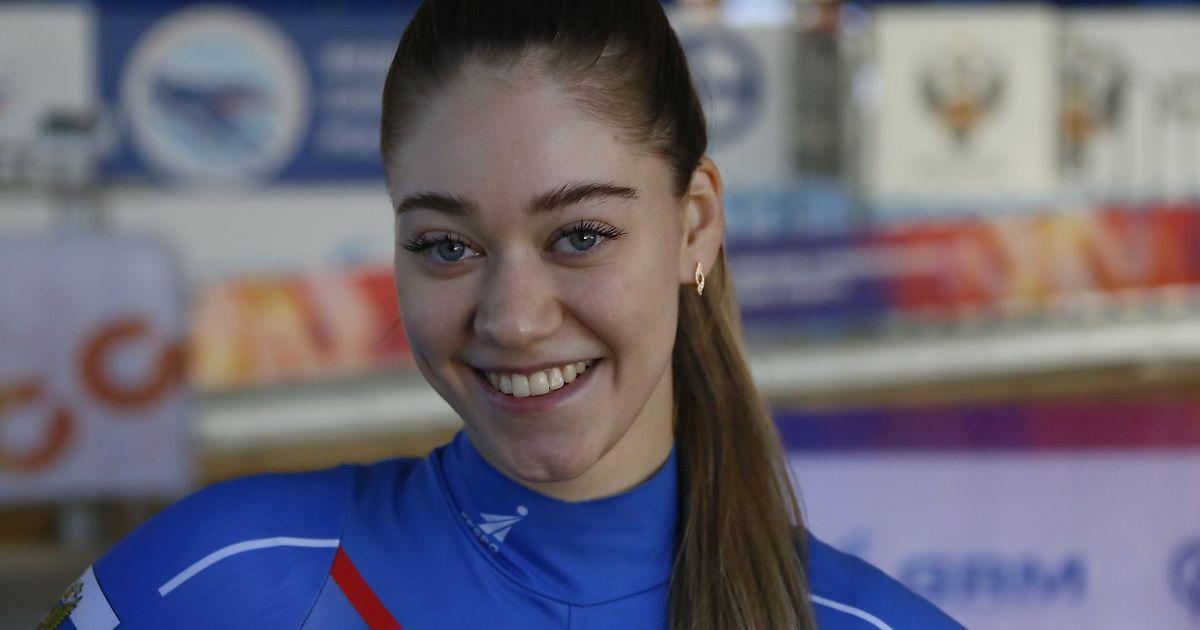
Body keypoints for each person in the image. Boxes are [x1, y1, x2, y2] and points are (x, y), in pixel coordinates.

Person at [41, 1, 964, 629]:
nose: (515, 321)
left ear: (695, 226)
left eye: (581, 236)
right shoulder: (227, 575)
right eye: (447, 246)